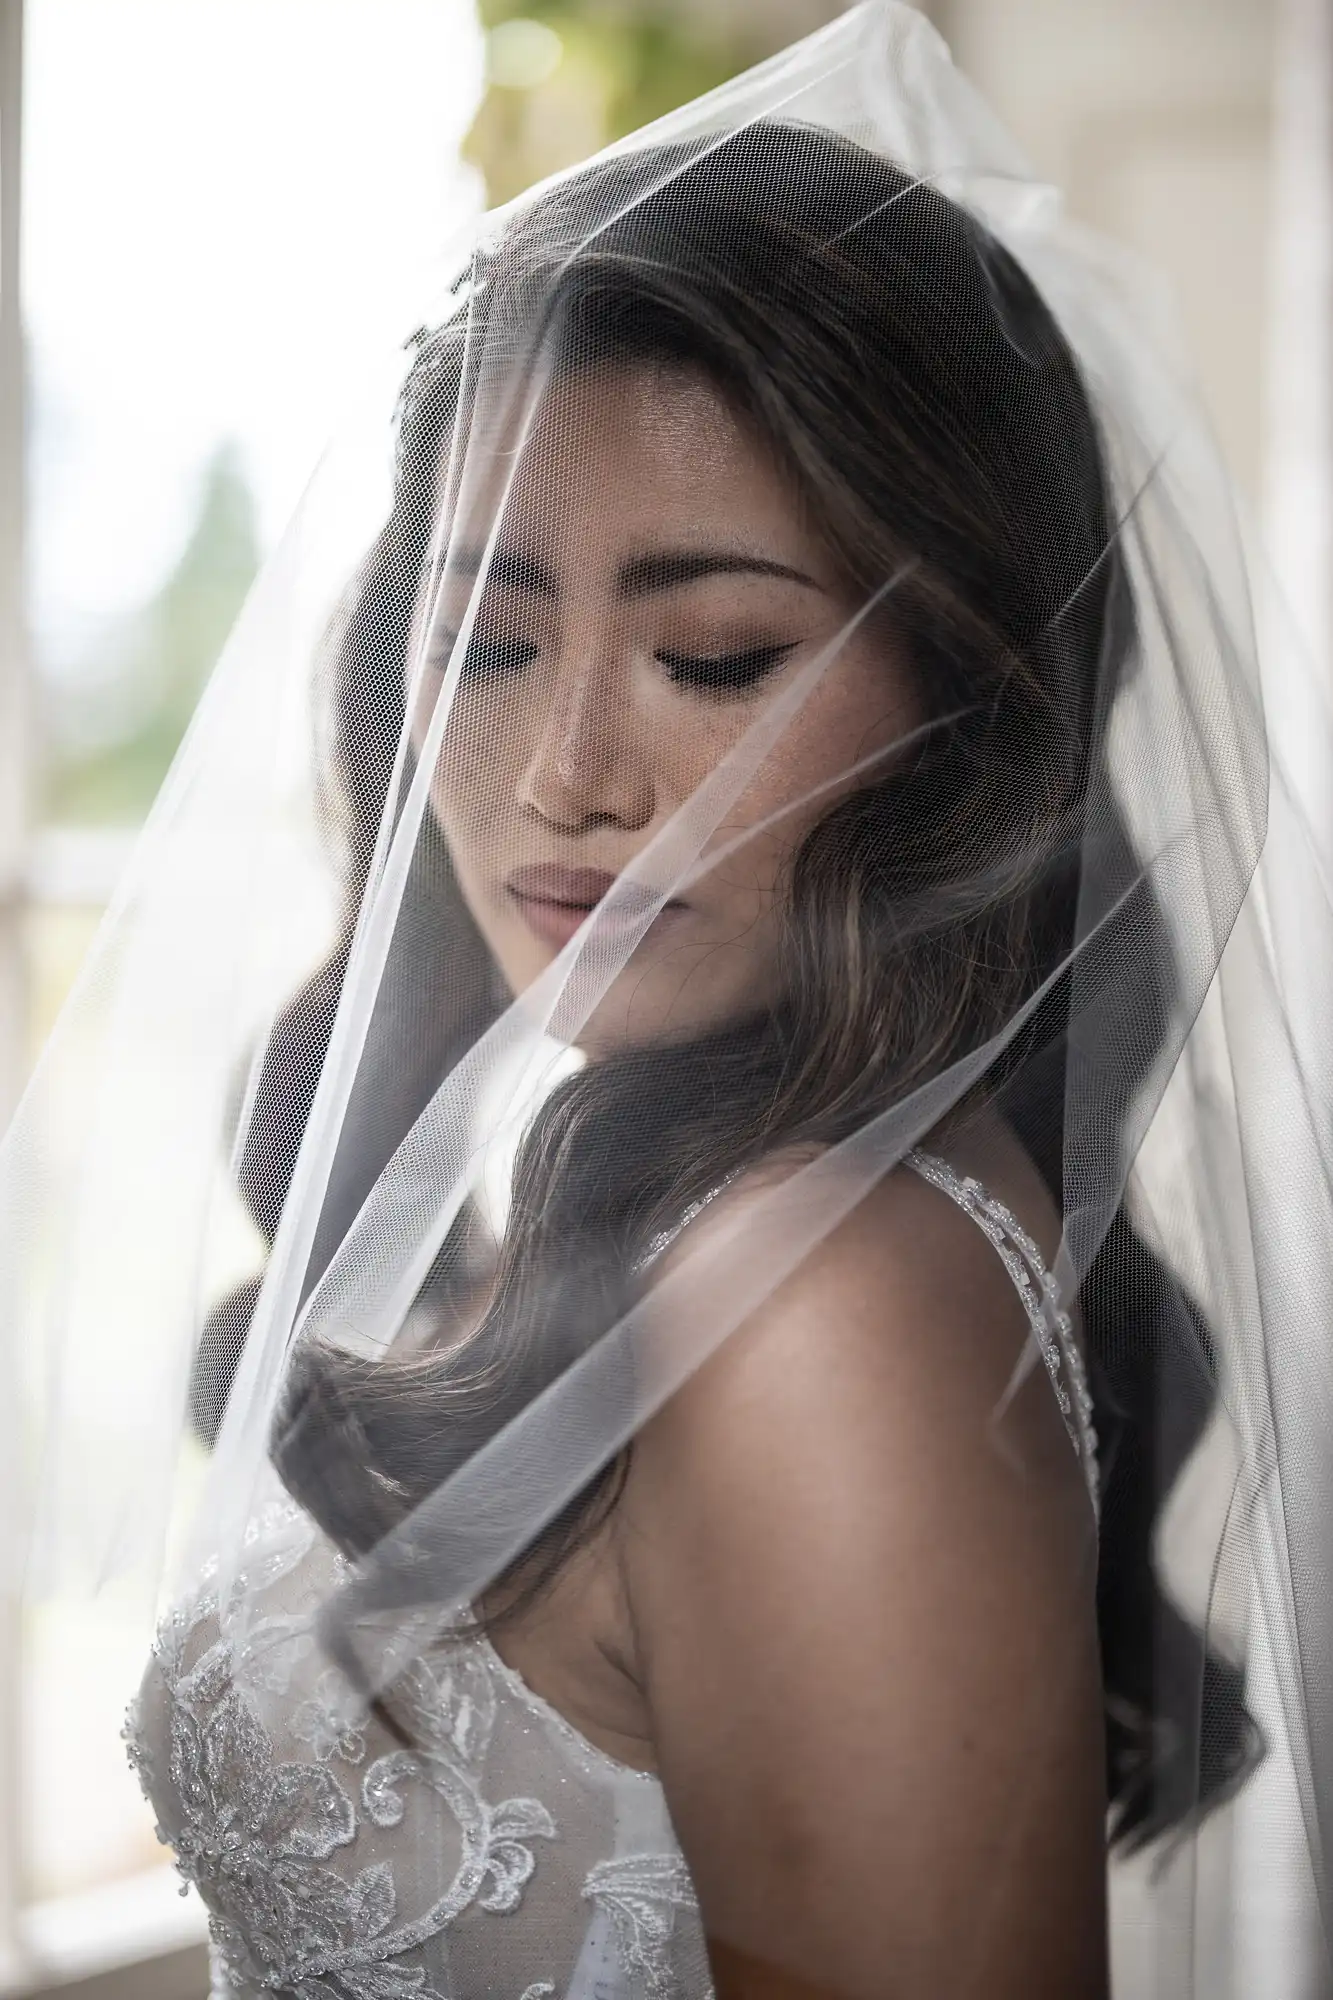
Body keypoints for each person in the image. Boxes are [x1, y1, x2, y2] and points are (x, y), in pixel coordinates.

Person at [14, 6, 1329, 1998]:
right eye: (488, 638)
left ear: (972, 703)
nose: (565, 775)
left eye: (713, 655)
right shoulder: (668, 1202)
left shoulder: (811, 1298)